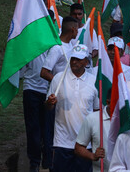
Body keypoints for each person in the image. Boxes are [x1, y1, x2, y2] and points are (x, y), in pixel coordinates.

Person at [45, 44, 98, 172]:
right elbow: (47, 108)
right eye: (73, 58)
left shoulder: (94, 81)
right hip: (62, 142)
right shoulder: (58, 79)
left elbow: (96, 111)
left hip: (85, 145)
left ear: (86, 62)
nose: (74, 62)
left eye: (79, 59)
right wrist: (50, 103)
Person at [21, 52, 52, 171]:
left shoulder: (54, 43)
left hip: (48, 91)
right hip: (31, 89)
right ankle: (35, 161)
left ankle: (45, 158)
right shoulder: (29, 44)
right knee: (34, 127)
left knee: (46, 127)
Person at [74, 89, 111, 172]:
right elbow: (78, 148)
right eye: (117, 102)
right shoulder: (92, 119)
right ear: (108, 102)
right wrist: (93, 156)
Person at [40, 17, 79, 83]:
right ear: (73, 29)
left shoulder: (70, 44)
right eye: (77, 29)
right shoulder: (57, 48)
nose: (77, 32)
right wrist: (61, 84)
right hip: (57, 91)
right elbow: (44, 73)